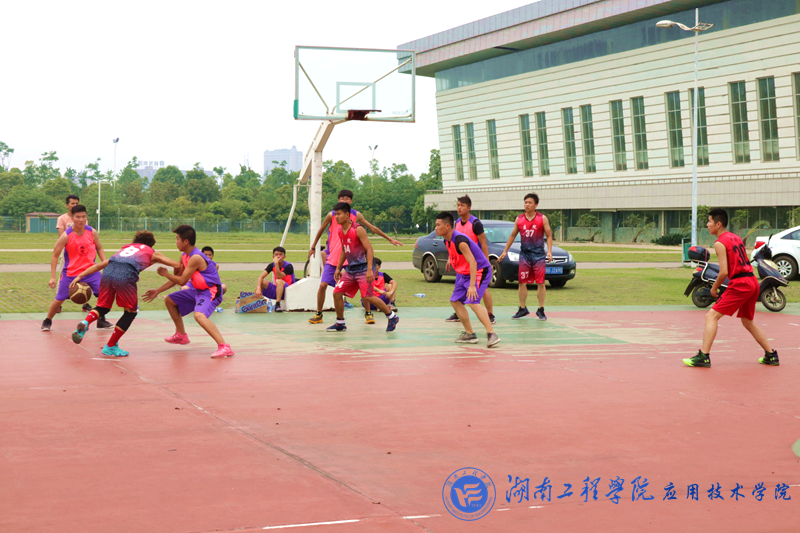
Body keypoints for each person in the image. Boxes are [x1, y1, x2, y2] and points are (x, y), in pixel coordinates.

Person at [683, 208, 779, 368]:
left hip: (741, 284)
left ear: (718, 224)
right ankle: (771, 355)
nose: (707, 224)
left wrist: (714, 288)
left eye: (709, 221)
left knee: (711, 316)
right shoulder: (735, 237)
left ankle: (704, 356)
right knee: (747, 321)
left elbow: (724, 272)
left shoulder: (719, 243)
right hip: (752, 281)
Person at [69, 231, 180, 357]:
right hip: (125, 275)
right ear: (150, 245)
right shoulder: (151, 252)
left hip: (107, 273)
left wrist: (80, 276)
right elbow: (177, 264)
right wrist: (174, 273)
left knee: (103, 307)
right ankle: (111, 346)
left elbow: (99, 265)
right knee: (130, 312)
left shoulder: (124, 250)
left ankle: (86, 322)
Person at [307, 189, 402, 324]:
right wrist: (313, 247)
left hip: (355, 262)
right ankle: (325, 316)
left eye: (347, 198)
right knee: (327, 287)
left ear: (351, 202)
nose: (344, 200)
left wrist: (389, 239)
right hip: (336, 257)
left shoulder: (357, 222)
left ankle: (371, 313)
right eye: (342, 198)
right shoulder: (335, 220)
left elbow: (372, 231)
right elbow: (323, 231)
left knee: (366, 294)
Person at [143, 225, 234, 359]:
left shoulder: (195, 258)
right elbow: (178, 278)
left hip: (211, 291)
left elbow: (181, 281)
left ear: (186, 241)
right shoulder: (184, 256)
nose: (176, 242)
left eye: (177, 239)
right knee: (169, 300)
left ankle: (225, 347)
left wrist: (165, 274)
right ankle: (181, 335)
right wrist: (157, 291)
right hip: (198, 290)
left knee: (199, 316)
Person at [328, 203, 399, 333]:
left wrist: (370, 269)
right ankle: (340, 322)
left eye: (339, 214)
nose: (336, 217)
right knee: (336, 293)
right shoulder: (340, 231)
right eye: (335, 214)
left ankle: (391, 316)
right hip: (351, 269)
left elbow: (369, 249)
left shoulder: (358, 229)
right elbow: (344, 250)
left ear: (347, 215)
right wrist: (338, 268)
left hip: (364, 268)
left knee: (368, 297)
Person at [41, 205, 112, 331]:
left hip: (91, 271)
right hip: (71, 273)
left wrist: (104, 264)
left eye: (83, 217)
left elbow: (99, 248)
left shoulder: (92, 232)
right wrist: (53, 277)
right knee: (59, 299)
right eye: (78, 217)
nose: (81, 220)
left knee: (104, 295)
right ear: (72, 218)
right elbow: (55, 255)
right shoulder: (66, 235)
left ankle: (101, 320)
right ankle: (47, 320)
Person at [436, 212, 500, 347]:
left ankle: (492, 334)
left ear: (447, 226)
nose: (435, 228)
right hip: (464, 273)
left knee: (472, 301)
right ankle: (470, 334)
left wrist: (471, 286)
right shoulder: (447, 240)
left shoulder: (460, 241)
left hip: (480, 270)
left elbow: (473, 262)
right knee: (455, 301)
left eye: (438, 225)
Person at [498, 193, 553, 320]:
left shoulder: (542, 218)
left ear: (536, 205)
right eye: (525, 202)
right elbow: (512, 235)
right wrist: (505, 251)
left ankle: (541, 310)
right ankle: (523, 309)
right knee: (522, 282)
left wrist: (549, 251)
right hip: (524, 255)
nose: (527, 205)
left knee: (540, 283)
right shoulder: (519, 219)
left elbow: (549, 235)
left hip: (538, 255)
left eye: (530, 203)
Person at [445, 195, 496, 324]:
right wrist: (450, 258)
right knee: (459, 288)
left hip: (476, 263)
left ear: (469, 208)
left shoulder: (475, 223)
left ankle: (490, 314)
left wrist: (487, 262)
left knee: (482, 289)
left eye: (462, 205)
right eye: (458, 205)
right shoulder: (456, 223)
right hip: (462, 264)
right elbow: (453, 243)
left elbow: (483, 243)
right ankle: (458, 312)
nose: (459, 208)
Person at [55, 194, 81, 313]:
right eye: (72, 203)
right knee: (63, 276)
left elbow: (84, 233)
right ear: (67, 205)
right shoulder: (62, 219)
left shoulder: (81, 218)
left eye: (77, 203)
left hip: (81, 252)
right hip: (67, 252)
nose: (75, 205)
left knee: (85, 276)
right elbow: (62, 236)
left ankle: (85, 302)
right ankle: (58, 303)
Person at [256, 246, 295, 311]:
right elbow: (260, 277)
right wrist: (258, 288)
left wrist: (276, 263)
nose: (278, 256)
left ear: (284, 256)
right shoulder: (271, 265)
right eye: (276, 254)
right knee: (261, 282)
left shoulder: (288, 266)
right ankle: (254, 302)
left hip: (288, 290)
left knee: (279, 280)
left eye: (281, 254)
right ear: (273, 257)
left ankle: (277, 304)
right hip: (278, 290)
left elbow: (279, 276)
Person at [362, 257, 398, 324]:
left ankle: (391, 304)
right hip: (370, 300)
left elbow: (394, 282)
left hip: (381, 298)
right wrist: (379, 290)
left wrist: (391, 292)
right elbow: (367, 285)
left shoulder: (383, 275)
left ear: (379, 267)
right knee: (365, 290)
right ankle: (371, 311)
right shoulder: (366, 275)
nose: (372, 267)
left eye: (375, 265)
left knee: (390, 286)